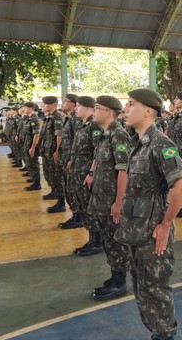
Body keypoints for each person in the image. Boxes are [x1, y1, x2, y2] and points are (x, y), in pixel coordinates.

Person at [115, 89, 182, 340]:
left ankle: (165, 336)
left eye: (131, 104)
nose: (125, 109)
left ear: (148, 110)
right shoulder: (138, 143)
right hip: (137, 233)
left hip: (153, 235)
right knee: (143, 291)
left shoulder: (160, 143)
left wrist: (166, 224)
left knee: (155, 292)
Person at [86, 95, 131, 301]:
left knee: (116, 241)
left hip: (112, 200)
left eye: (97, 108)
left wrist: (119, 202)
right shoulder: (105, 135)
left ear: (109, 112)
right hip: (102, 198)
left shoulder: (118, 135)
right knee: (108, 240)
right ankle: (114, 276)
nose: (93, 111)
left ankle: (119, 282)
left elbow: (123, 171)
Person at [69, 96, 104, 256]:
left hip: (86, 174)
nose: (76, 108)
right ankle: (92, 238)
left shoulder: (93, 126)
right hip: (78, 171)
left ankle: (97, 241)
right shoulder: (83, 126)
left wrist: (92, 172)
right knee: (83, 205)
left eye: (79, 106)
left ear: (89, 108)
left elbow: (98, 150)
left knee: (90, 207)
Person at [57, 94, 85, 228]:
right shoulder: (68, 118)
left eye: (66, 101)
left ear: (73, 105)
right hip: (67, 159)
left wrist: (71, 160)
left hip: (72, 161)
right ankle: (75, 215)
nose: (63, 103)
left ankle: (78, 216)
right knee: (68, 188)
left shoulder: (76, 120)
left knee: (73, 190)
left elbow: (77, 142)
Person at [39, 96, 66, 212]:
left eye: (44, 104)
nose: (42, 106)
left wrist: (57, 151)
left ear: (52, 105)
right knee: (48, 174)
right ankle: (54, 192)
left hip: (52, 152)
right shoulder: (48, 117)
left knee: (56, 176)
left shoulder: (56, 117)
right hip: (47, 151)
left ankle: (61, 203)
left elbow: (59, 135)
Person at [21, 102, 41, 190]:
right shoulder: (29, 118)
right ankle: (34, 179)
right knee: (29, 163)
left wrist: (32, 147)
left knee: (33, 163)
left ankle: (37, 183)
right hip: (27, 144)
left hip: (31, 145)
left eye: (25, 107)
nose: (24, 109)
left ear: (30, 108)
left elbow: (36, 134)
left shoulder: (34, 119)